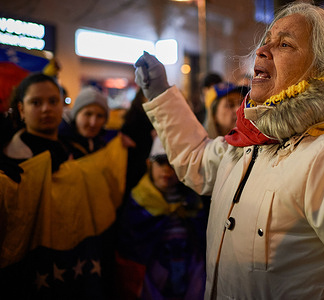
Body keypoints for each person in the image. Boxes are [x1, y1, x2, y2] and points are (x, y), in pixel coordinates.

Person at [135, 2, 324, 299]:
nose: (261, 50)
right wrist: (160, 94)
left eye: (284, 45)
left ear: (323, 69)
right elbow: (198, 162)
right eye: (267, 41)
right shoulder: (250, 144)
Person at [0, 72, 128, 299]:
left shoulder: (70, 149)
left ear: (63, 105)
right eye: (36, 103)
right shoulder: (12, 161)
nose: (46, 109)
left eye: (53, 101)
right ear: (21, 109)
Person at [115, 136, 208, 300]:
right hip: (153, 267)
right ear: (149, 164)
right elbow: (131, 245)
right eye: (160, 162)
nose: (167, 170)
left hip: (189, 266)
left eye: (173, 164)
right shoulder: (139, 200)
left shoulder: (192, 199)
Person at [59, 85, 110, 159]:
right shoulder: (60, 144)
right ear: (75, 115)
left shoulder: (103, 145)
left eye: (100, 116)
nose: (93, 123)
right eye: (88, 114)